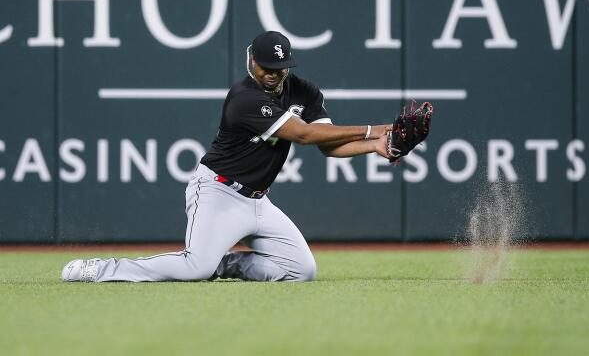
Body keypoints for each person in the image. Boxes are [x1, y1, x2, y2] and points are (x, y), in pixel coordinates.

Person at [61, 31, 391, 283]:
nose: (274, 74)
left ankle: (226, 262)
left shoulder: (304, 91)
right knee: (194, 267)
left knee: (301, 271)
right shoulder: (244, 98)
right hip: (218, 192)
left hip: (259, 202)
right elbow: (305, 135)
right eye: (267, 67)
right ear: (251, 62)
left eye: (281, 68)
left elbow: (329, 145)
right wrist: (375, 129)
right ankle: (104, 269)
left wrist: (375, 145)